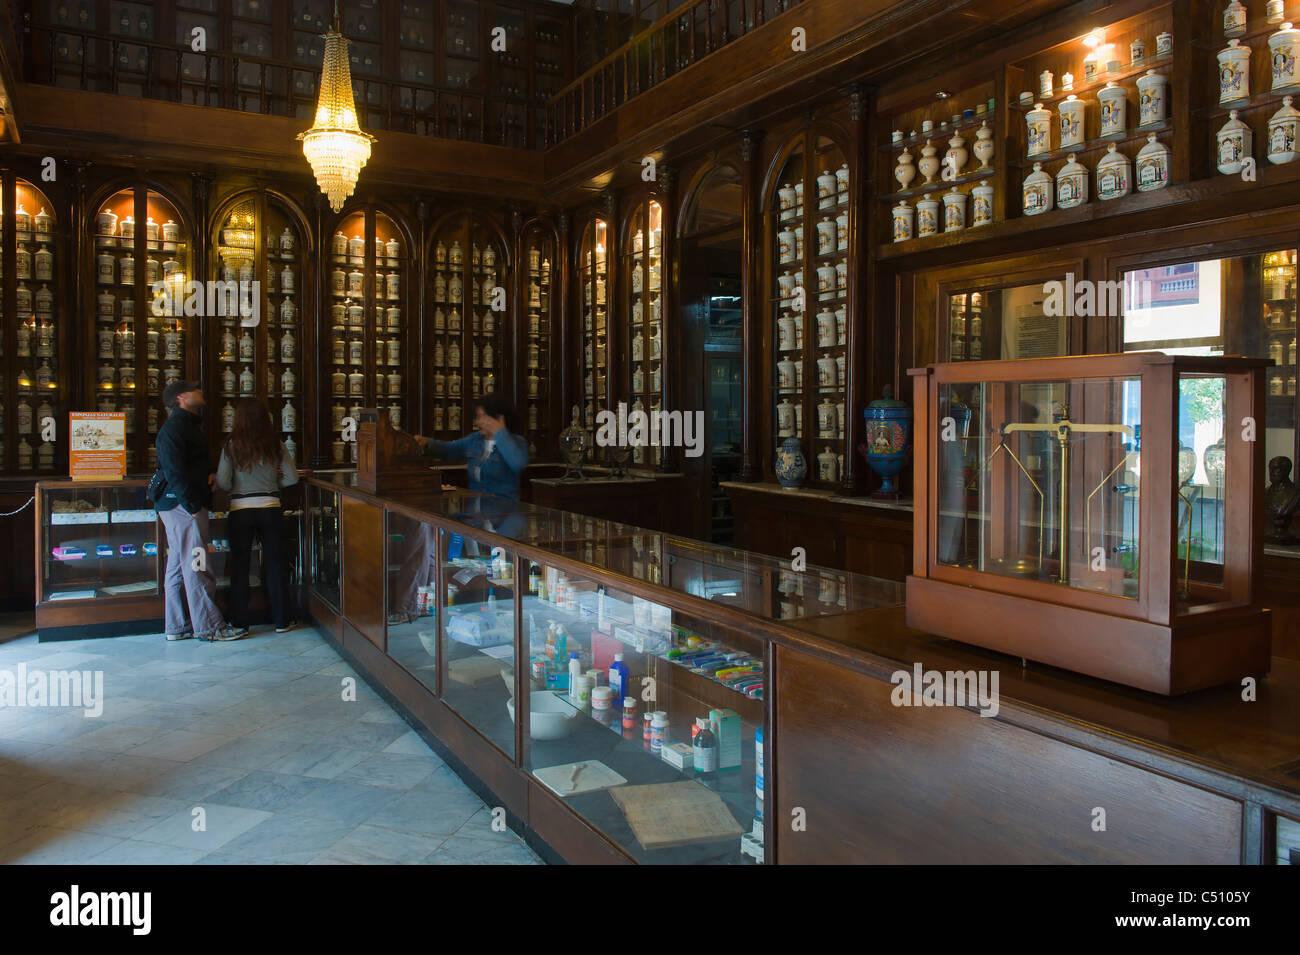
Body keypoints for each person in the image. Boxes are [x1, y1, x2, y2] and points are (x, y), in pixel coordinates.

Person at [154, 380, 237, 642]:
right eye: (195, 389)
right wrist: (191, 505)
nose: (201, 391)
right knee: (198, 564)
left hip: (178, 504)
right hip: (183, 506)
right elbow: (174, 471)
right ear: (181, 397)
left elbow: (191, 462)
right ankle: (210, 627)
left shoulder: (187, 425)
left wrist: (210, 471)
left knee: (178, 566)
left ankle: (177, 626)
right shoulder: (174, 429)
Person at [215, 398, 299, 637]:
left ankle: (240, 622)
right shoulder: (275, 443)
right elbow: (292, 478)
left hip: (240, 509)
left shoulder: (232, 444)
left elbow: (222, 481)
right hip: (270, 506)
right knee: (275, 565)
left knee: (240, 567)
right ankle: (282, 620)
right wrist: (273, 484)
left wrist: (237, 488)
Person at [414, 393, 529, 500]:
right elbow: (448, 449)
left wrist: (500, 432)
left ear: (499, 418)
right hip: (476, 512)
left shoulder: (517, 442)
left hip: (504, 513)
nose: (479, 422)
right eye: (478, 417)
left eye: (483, 416)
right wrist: (427, 443)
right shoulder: (474, 440)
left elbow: (518, 463)